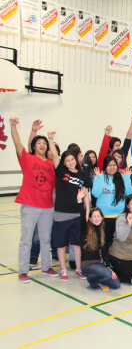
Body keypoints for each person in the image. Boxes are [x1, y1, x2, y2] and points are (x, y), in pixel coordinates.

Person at [10, 117, 58, 283]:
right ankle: (23, 271)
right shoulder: (27, 159)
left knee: (46, 239)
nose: (42, 145)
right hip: (30, 206)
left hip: (47, 207)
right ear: (33, 146)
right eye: (39, 143)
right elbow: (17, 143)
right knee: (26, 239)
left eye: (44, 144)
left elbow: (53, 189)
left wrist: (54, 207)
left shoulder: (51, 165)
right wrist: (14, 126)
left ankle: (46, 266)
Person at [47, 130, 90, 281]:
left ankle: (78, 269)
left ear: (76, 159)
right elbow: (54, 155)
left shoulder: (82, 175)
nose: (71, 162)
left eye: (72, 159)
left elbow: (85, 195)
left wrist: (87, 212)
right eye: (67, 160)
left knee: (76, 243)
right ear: (64, 163)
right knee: (60, 243)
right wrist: (50, 139)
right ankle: (64, 270)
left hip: (76, 214)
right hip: (61, 213)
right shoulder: (61, 172)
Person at [78, 189, 120, 291]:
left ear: (102, 218)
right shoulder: (86, 230)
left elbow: (105, 252)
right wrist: (79, 200)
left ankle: (95, 279)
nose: (96, 218)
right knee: (107, 274)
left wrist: (109, 267)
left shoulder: (102, 232)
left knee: (116, 284)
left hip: (98, 264)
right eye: (94, 216)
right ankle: (93, 280)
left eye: (98, 216)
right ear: (90, 219)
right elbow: (82, 215)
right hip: (87, 266)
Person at [92, 156, 132, 254]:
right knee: (104, 243)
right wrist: (98, 177)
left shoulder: (122, 177)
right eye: (109, 165)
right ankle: (106, 265)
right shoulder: (100, 177)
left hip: (119, 217)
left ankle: (116, 264)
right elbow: (96, 194)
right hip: (103, 217)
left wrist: (127, 177)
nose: (112, 167)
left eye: (114, 165)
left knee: (117, 243)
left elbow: (129, 193)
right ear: (105, 167)